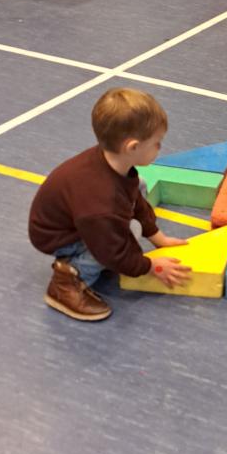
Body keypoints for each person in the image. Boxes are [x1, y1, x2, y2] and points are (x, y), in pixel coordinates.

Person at [29, 88, 191, 321]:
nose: (160, 148)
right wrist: (150, 266)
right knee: (123, 238)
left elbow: (134, 198)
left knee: (139, 191)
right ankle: (66, 282)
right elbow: (112, 251)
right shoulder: (102, 203)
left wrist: (158, 237)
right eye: (157, 143)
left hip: (81, 219)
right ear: (132, 147)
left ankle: (88, 257)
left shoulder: (115, 163)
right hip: (57, 236)